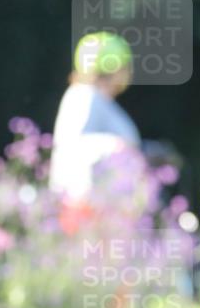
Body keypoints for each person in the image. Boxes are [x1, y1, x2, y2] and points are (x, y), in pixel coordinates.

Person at [50, 31, 140, 233]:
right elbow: (73, 142)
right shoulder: (84, 96)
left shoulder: (99, 100)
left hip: (103, 206)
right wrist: (116, 145)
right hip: (85, 206)